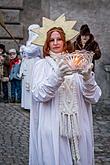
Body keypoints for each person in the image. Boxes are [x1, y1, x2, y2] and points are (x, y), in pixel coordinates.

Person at [29, 24, 101, 165]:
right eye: (52, 40)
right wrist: (57, 76)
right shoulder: (41, 65)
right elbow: (39, 94)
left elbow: (93, 96)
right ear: (47, 44)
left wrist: (87, 78)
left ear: (65, 42)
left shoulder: (76, 62)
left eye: (59, 39)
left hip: (79, 127)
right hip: (52, 127)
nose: (56, 43)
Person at [19, 24, 42, 110]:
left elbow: (32, 51)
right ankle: (26, 104)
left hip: (34, 64)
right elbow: (25, 54)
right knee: (26, 83)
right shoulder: (29, 41)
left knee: (32, 82)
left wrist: (24, 48)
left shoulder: (38, 41)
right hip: (27, 64)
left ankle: (32, 105)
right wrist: (22, 51)